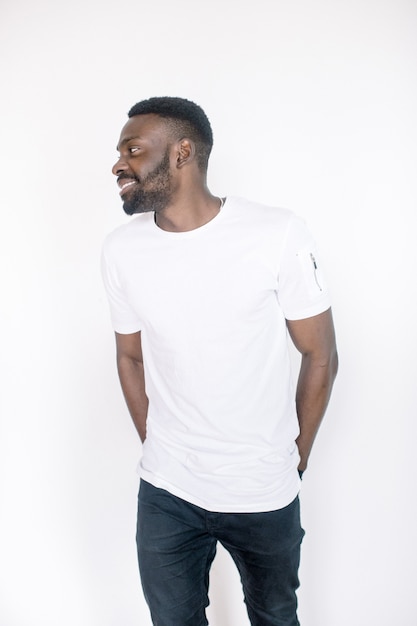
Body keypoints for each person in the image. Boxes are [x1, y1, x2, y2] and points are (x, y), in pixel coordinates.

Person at [101, 96, 338, 626]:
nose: (119, 164)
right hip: (167, 493)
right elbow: (129, 356)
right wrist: (156, 440)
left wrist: (294, 456)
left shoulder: (277, 234)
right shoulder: (121, 250)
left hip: (262, 491)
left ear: (182, 153)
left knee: (275, 616)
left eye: (133, 150)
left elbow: (319, 353)